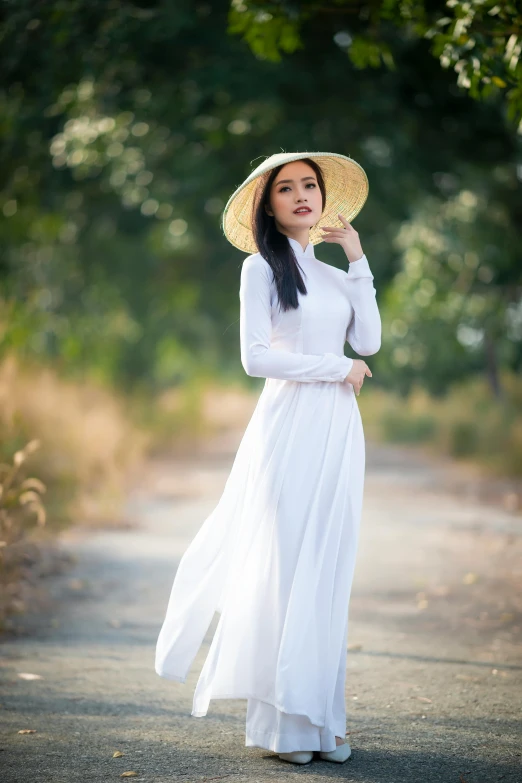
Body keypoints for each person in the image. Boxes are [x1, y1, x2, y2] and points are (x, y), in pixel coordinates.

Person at [155, 151, 382, 766]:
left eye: (310, 186)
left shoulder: (337, 275)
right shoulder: (260, 268)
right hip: (288, 427)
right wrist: (335, 368)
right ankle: (285, 729)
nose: (302, 196)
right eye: (287, 189)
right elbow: (256, 358)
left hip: (338, 429)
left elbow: (369, 342)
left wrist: (358, 258)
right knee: (288, 565)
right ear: (269, 204)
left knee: (327, 570)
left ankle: (322, 719)